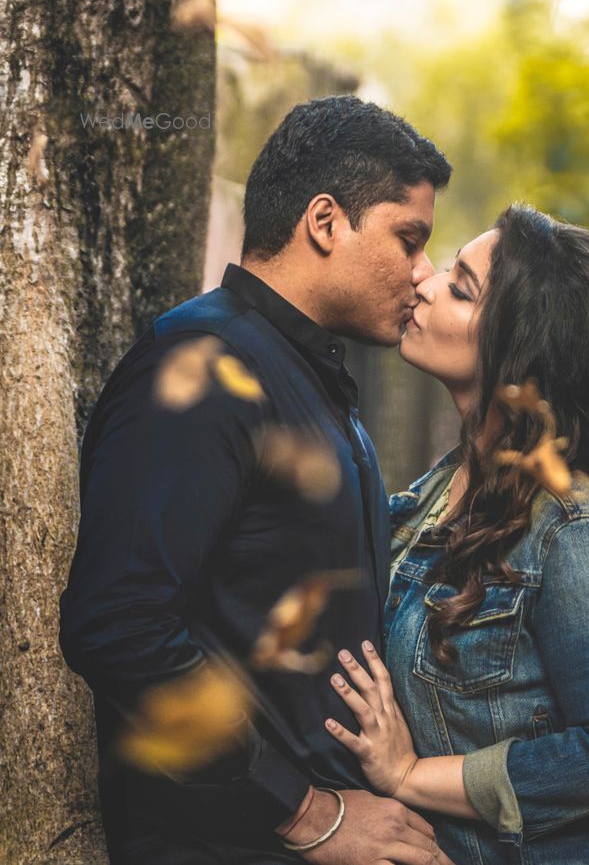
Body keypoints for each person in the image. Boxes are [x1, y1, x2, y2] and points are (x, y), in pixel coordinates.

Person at [60, 95, 458, 865]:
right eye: (409, 238)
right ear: (325, 221)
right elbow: (119, 622)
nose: (423, 271)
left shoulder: (314, 383)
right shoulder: (206, 366)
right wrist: (306, 812)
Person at [325, 205, 589, 865]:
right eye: (447, 270)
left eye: (461, 287)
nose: (425, 285)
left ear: (521, 351)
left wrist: (410, 776)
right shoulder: (432, 497)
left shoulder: (576, 529)